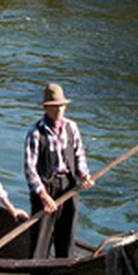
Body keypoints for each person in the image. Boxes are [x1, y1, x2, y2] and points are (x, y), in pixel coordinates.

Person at [24, 82, 91, 258]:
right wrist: (43, 196)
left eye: (62, 106)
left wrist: (83, 174)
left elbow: (79, 155)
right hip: (46, 188)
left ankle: (65, 264)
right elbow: (30, 169)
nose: (59, 110)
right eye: (55, 107)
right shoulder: (35, 132)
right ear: (46, 108)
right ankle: (38, 269)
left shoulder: (72, 127)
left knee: (67, 234)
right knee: (41, 237)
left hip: (68, 185)